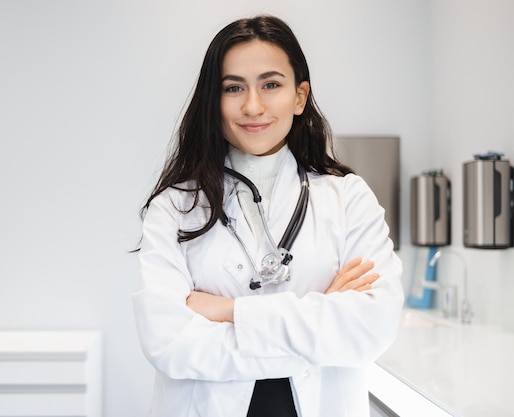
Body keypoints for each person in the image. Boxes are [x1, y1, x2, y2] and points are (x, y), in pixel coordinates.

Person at [132, 15, 403, 417]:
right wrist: (319, 322)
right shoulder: (174, 208)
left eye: (271, 84)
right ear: (214, 99)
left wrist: (230, 312)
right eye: (233, 87)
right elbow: (169, 343)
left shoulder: (347, 198)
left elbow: (370, 330)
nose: (252, 105)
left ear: (299, 96)